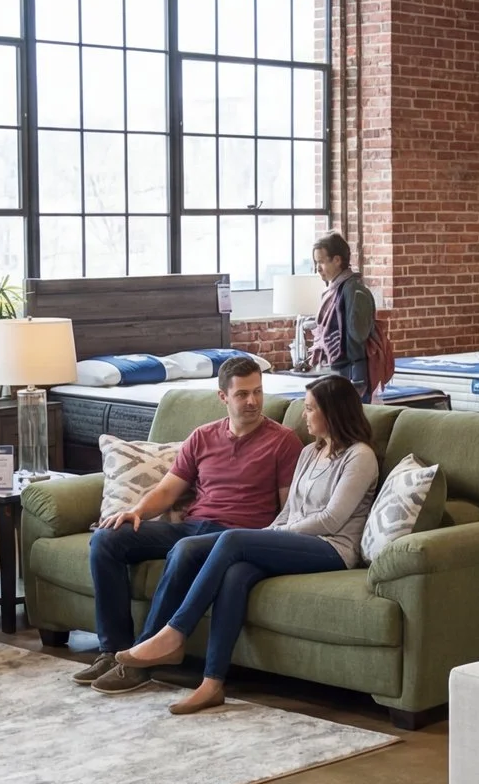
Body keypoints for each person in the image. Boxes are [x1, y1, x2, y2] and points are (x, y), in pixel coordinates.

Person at [107, 376, 381, 714]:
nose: (304, 416)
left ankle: (174, 633)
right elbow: (289, 510)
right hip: (297, 539)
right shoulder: (311, 451)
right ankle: (212, 683)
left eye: (310, 409)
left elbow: (331, 520)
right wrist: (272, 533)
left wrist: (275, 535)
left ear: (333, 413)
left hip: (333, 549)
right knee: (236, 572)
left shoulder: (360, 457)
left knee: (232, 539)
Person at [77, 356, 303, 690]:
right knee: (107, 540)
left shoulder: (283, 441)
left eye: (257, 392)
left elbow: (288, 508)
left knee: (185, 550)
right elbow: (168, 490)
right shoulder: (202, 437)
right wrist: (136, 511)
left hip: (236, 537)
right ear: (223, 397)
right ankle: (114, 650)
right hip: (194, 525)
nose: (252, 401)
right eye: (242, 394)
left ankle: (144, 659)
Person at [308, 233, 377, 394]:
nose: (317, 268)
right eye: (316, 262)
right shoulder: (333, 291)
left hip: (354, 374)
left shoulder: (354, 291)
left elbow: (358, 334)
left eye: (321, 262)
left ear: (337, 260)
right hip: (337, 371)